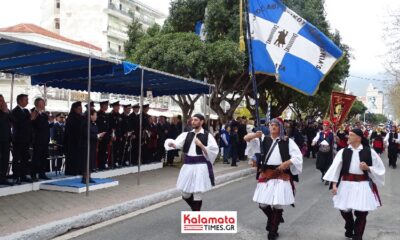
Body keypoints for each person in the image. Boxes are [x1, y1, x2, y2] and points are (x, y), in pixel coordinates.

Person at [244, 118, 303, 240]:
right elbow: (246, 138)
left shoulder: (288, 141)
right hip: (267, 173)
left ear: (280, 127)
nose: (273, 127)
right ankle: (273, 219)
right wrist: (255, 134)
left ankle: (273, 230)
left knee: (277, 204)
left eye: (276, 125)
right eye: (271, 125)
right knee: (263, 204)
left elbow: (298, 156)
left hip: (281, 174)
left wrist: (287, 162)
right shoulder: (262, 139)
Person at [323, 128, 385, 240]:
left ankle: (357, 236)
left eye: (351, 135)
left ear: (358, 138)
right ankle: (349, 224)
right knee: (344, 210)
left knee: (362, 213)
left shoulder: (369, 151)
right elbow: (335, 169)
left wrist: (368, 168)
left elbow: (380, 169)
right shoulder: (343, 151)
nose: (348, 137)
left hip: (362, 184)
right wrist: (334, 185)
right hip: (346, 184)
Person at [165, 113, 219, 211]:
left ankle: (196, 213)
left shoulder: (208, 136)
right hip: (188, 165)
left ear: (202, 122)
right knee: (185, 193)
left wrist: (201, 145)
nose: (193, 122)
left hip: (201, 166)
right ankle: (195, 209)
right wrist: (172, 144)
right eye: (192, 120)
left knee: (197, 192)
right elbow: (178, 143)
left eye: (196, 120)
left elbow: (214, 151)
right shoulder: (187, 134)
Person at [11, 94, 33, 184]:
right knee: (17, 158)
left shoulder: (26, 111)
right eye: (26, 100)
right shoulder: (15, 111)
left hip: (26, 139)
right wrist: (31, 119)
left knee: (25, 157)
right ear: (20, 101)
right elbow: (20, 124)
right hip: (18, 139)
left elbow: (29, 124)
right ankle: (16, 176)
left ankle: (24, 175)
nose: (27, 101)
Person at [80, 110, 106, 183]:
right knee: (86, 162)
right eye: (95, 115)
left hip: (93, 145)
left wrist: (99, 136)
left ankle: (89, 177)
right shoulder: (86, 123)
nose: (96, 116)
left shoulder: (94, 124)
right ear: (91, 116)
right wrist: (97, 135)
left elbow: (95, 133)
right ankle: (85, 178)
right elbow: (87, 134)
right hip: (86, 146)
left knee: (91, 162)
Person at [31, 98, 51, 180]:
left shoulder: (43, 114)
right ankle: (33, 174)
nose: (44, 104)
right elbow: (36, 125)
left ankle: (42, 173)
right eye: (42, 103)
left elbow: (45, 125)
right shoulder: (34, 112)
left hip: (45, 139)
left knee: (43, 157)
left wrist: (50, 124)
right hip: (37, 140)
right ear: (38, 104)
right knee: (36, 158)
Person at [64, 101, 83, 175]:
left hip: (79, 141)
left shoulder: (81, 117)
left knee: (79, 157)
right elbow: (72, 130)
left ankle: (78, 170)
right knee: (72, 158)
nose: (80, 110)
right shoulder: (71, 118)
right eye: (79, 108)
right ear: (74, 109)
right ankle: (72, 171)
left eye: (81, 108)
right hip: (72, 142)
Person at [312, 120, 334, 185]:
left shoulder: (332, 133)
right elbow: (315, 139)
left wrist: (335, 136)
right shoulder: (320, 133)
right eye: (324, 125)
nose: (325, 127)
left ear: (329, 126)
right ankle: (323, 173)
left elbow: (335, 141)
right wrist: (313, 142)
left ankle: (327, 178)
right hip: (321, 151)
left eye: (326, 126)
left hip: (328, 152)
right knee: (319, 165)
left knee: (328, 165)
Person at [0, 95, 13, 185]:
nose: (1, 102)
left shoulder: (6, 112)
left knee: (5, 159)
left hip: (6, 139)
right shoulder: (3, 113)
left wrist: (7, 111)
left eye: (2, 100)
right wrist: (4, 112)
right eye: (0, 101)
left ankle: (3, 177)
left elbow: (13, 121)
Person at [96, 100, 110, 170]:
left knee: (105, 151)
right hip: (100, 137)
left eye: (107, 105)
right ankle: (99, 165)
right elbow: (97, 126)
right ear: (102, 106)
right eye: (106, 105)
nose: (107, 106)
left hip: (106, 137)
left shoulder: (106, 115)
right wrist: (98, 136)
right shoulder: (98, 114)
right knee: (100, 151)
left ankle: (103, 164)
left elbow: (107, 127)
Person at [109, 101, 123, 168]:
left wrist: (120, 136)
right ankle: (112, 162)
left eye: (119, 106)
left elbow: (120, 127)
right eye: (117, 106)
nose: (118, 108)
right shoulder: (110, 115)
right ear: (114, 107)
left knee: (118, 149)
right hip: (113, 135)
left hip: (119, 135)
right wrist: (112, 135)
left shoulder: (119, 115)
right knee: (113, 150)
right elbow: (110, 126)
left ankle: (116, 161)